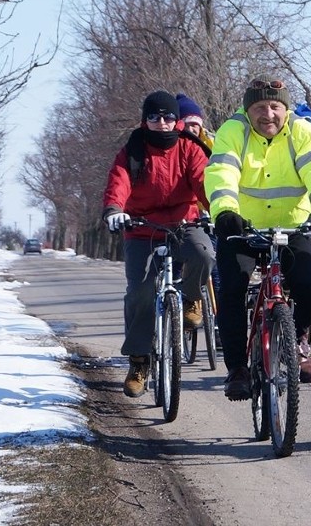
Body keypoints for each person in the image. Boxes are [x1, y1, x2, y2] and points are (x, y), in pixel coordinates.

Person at [204, 74, 311, 399]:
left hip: (293, 226)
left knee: (310, 283)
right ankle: (237, 367)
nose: (268, 115)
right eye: (260, 108)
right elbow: (222, 171)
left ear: (286, 109)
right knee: (233, 288)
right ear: (248, 110)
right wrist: (224, 210)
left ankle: (298, 341)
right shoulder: (232, 132)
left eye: (275, 107)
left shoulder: (302, 132)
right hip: (242, 228)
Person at [102, 90, 216, 398]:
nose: (162, 123)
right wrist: (115, 210)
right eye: (154, 117)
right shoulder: (133, 150)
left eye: (168, 117)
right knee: (139, 291)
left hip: (183, 223)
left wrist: (219, 211)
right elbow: (119, 182)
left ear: (177, 121)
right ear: (145, 120)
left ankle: (192, 298)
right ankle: (139, 361)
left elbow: (204, 183)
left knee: (204, 253)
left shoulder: (190, 148)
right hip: (141, 228)